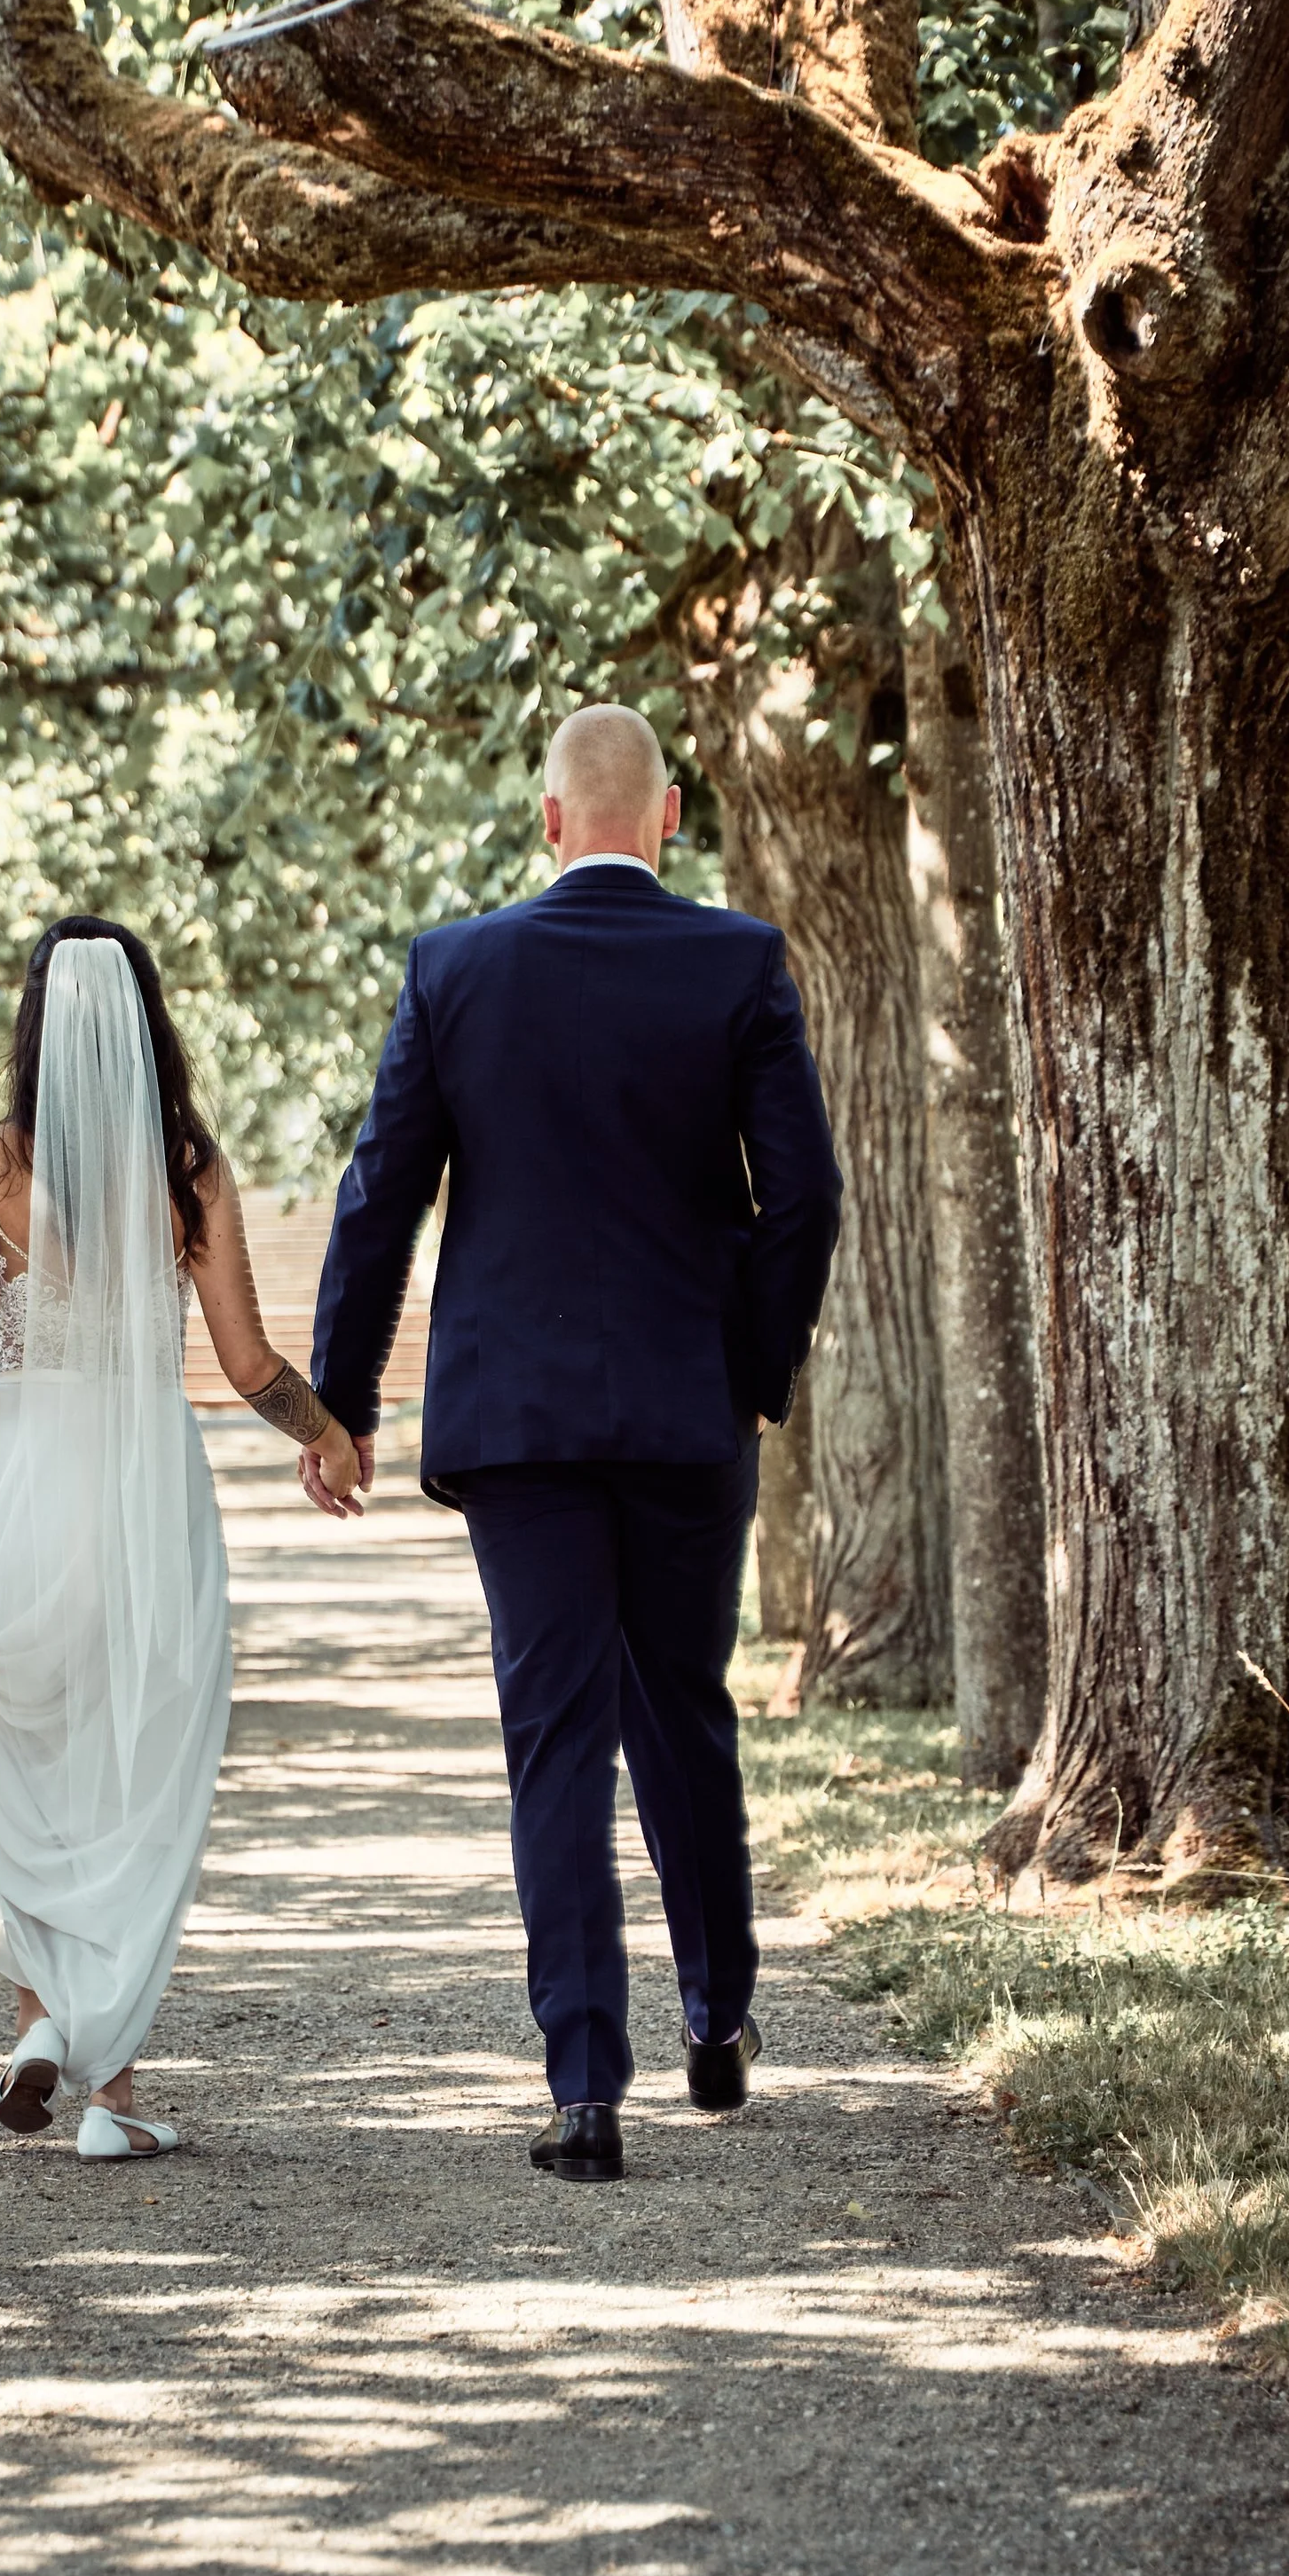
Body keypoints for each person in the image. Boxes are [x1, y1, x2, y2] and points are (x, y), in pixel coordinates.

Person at [304, 707, 841, 2181]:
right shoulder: (737, 962)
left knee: (557, 1737)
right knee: (683, 1704)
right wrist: (751, 1371)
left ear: (549, 823)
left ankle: (584, 2092)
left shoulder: (456, 969)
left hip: (520, 1424)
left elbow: (379, 1198)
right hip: (687, 1412)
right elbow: (805, 1201)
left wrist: (338, 1401)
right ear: (667, 817)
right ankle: (718, 2013)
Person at [0, 918, 363, 2160]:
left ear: (34, 1022)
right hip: (140, 1504)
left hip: (7, 1500)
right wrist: (327, 1430)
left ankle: (46, 2027)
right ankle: (110, 2085)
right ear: (146, 1021)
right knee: (129, 1782)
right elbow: (247, 1362)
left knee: (23, 1773)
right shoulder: (188, 1170)